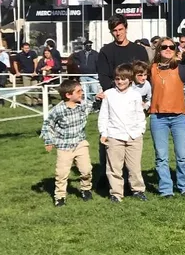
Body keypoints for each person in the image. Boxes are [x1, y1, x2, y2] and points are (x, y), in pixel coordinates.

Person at [148, 37, 185, 198]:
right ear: (158, 50)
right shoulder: (151, 69)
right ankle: (166, 189)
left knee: (182, 156)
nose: (168, 49)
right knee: (161, 157)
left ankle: (184, 186)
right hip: (158, 117)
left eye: (171, 47)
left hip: (179, 117)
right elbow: (138, 85)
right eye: (164, 47)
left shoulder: (181, 69)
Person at [98, 63, 147, 203]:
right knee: (114, 166)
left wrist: (140, 131)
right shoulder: (108, 94)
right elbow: (104, 116)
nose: (120, 82)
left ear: (130, 79)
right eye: (118, 79)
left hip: (134, 136)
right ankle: (116, 193)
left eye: (123, 79)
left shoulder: (135, 95)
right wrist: (104, 133)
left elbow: (140, 115)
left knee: (134, 166)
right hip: (114, 136)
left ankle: (138, 190)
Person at [40, 78, 93, 207]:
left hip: (80, 143)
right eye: (78, 91)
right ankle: (60, 197)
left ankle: (86, 189)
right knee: (62, 173)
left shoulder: (83, 105)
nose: (82, 94)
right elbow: (48, 125)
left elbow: (94, 104)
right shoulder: (58, 110)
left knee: (86, 170)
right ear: (68, 95)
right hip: (64, 146)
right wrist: (48, 141)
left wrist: (99, 98)